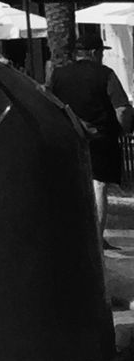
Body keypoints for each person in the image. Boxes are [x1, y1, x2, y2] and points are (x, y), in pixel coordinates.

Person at [47, 27, 134, 249]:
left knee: (71, 184)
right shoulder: (105, 74)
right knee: (98, 185)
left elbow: (48, 102)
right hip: (100, 138)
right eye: (101, 52)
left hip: (67, 137)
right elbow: (122, 109)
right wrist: (124, 129)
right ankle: (96, 239)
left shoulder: (58, 75)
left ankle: (72, 236)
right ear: (95, 53)